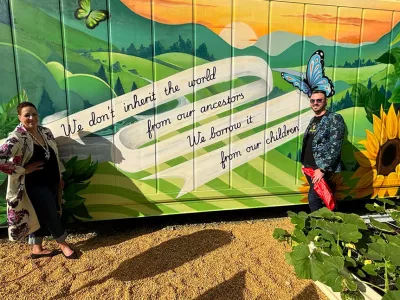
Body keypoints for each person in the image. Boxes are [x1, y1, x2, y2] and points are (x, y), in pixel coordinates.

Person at [0, 101, 79, 259]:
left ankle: (37, 248)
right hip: (33, 185)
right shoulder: (17, 138)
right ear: (19, 117)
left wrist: (60, 176)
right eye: (27, 115)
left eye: (34, 114)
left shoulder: (45, 132)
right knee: (50, 211)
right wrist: (23, 170)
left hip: (51, 181)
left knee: (39, 213)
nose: (31, 118)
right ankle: (63, 245)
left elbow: (55, 156)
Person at [301, 90, 345, 212]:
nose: (315, 103)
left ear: (325, 101)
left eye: (319, 100)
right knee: (325, 196)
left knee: (314, 198)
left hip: (320, 168)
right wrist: (304, 163)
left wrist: (322, 169)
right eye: (313, 101)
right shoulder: (314, 120)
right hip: (310, 167)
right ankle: (330, 224)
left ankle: (319, 226)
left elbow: (335, 145)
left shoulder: (334, 118)